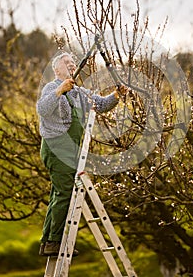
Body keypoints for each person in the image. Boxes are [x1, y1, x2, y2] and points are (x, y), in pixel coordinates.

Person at [37, 52, 125, 256]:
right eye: (66, 63)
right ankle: (54, 242)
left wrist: (116, 95)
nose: (72, 65)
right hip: (56, 148)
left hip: (70, 151)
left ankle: (47, 241)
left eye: (73, 63)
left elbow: (101, 105)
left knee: (58, 193)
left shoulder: (79, 92)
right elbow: (42, 109)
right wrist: (60, 89)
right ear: (56, 69)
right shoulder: (51, 88)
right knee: (65, 192)